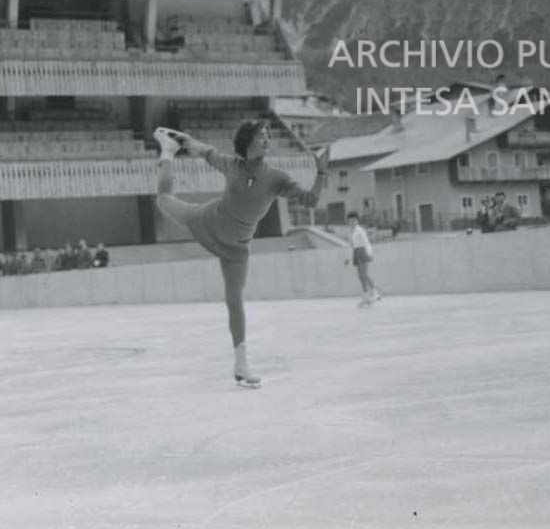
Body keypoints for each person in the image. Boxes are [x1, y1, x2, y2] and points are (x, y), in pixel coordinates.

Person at [152, 121, 329, 387]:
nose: (267, 140)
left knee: (234, 301)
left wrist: (322, 173)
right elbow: (205, 150)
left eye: (268, 136)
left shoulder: (277, 178)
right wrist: (183, 141)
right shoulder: (232, 164)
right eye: (261, 137)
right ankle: (167, 152)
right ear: (248, 142)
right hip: (207, 221)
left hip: (237, 248)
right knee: (163, 199)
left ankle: (241, 364)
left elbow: (311, 200)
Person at [346, 211, 380, 307]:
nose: (352, 222)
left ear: (357, 221)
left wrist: (369, 253)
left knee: (364, 275)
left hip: (363, 251)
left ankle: (374, 293)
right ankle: (367, 295)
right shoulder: (350, 232)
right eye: (350, 221)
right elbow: (351, 245)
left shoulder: (360, 230)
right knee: (361, 276)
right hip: (356, 252)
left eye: (354, 220)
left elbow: (366, 242)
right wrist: (348, 258)